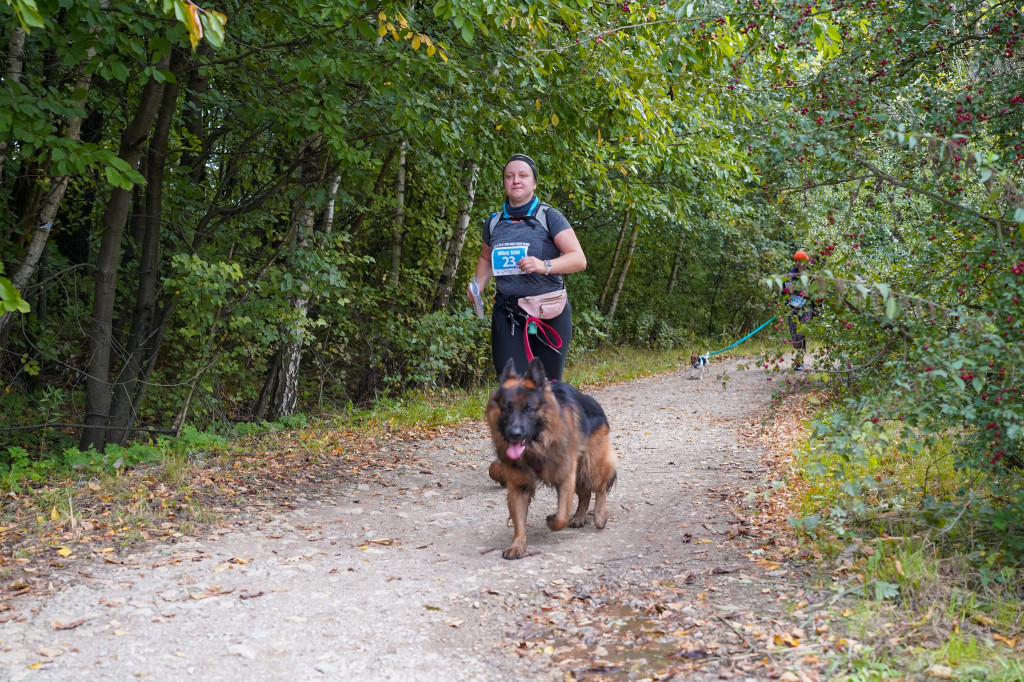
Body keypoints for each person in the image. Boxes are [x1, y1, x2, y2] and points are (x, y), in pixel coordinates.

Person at [466, 154, 587, 382]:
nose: (516, 181)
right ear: (504, 182)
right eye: (509, 176)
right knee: (512, 387)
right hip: (508, 312)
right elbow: (485, 258)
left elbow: (579, 259)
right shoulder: (493, 222)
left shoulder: (549, 216)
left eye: (523, 175)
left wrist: (544, 265)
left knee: (548, 389)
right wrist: (478, 285)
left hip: (549, 311)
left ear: (534, 182)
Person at [781, 250, 817, 371]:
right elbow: (784, 291)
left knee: (802, 331)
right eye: (796, 260)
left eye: (800, 260)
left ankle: (799, 360)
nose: (797, 263)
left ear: (805, 261)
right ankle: (799, 354)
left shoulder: (812, 276)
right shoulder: (791, 274)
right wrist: (788, 293)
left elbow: (817, 294)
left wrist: (808, 294)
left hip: (807, 308)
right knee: (794, 335)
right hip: (793, 308)